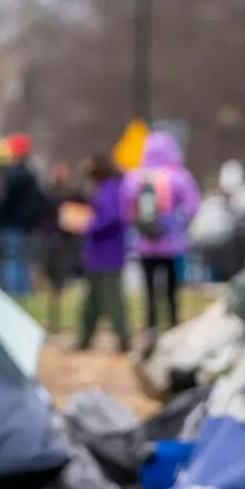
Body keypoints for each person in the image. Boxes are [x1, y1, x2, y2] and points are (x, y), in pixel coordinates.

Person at [121, 131, 200, 340]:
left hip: (144, 244)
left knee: (149, 291)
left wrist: (139, 229)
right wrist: (177, 226)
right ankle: (173, 328)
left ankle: (151, 330)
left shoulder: (134, 177)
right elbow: (193, 207)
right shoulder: (179, 176)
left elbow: (126, 211)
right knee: (172, 290)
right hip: (172, 245)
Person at [77, 154, 133, 351]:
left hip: (108, 252)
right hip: (99, 253)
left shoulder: (111, 189)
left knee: (112, 297)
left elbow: (110, 217)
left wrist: (88, 225)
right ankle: (85, 337)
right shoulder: (106, 188)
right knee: (93, 298)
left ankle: (123, 337)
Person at [0, 133, 47, 297]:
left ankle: (14, 294)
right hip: (27, 225)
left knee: (11, 261)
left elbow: (3, 202)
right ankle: (24, 293)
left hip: (11, 223)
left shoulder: (12, 175)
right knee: (23, 261)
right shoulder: (31, 174)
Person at [39, 160, 88, 333]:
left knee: (66, 280)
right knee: (52, 281)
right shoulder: (47, 195)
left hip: (68, 242)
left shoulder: (73, 194)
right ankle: (53, 319)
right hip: (52, 240)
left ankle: (62, 320)